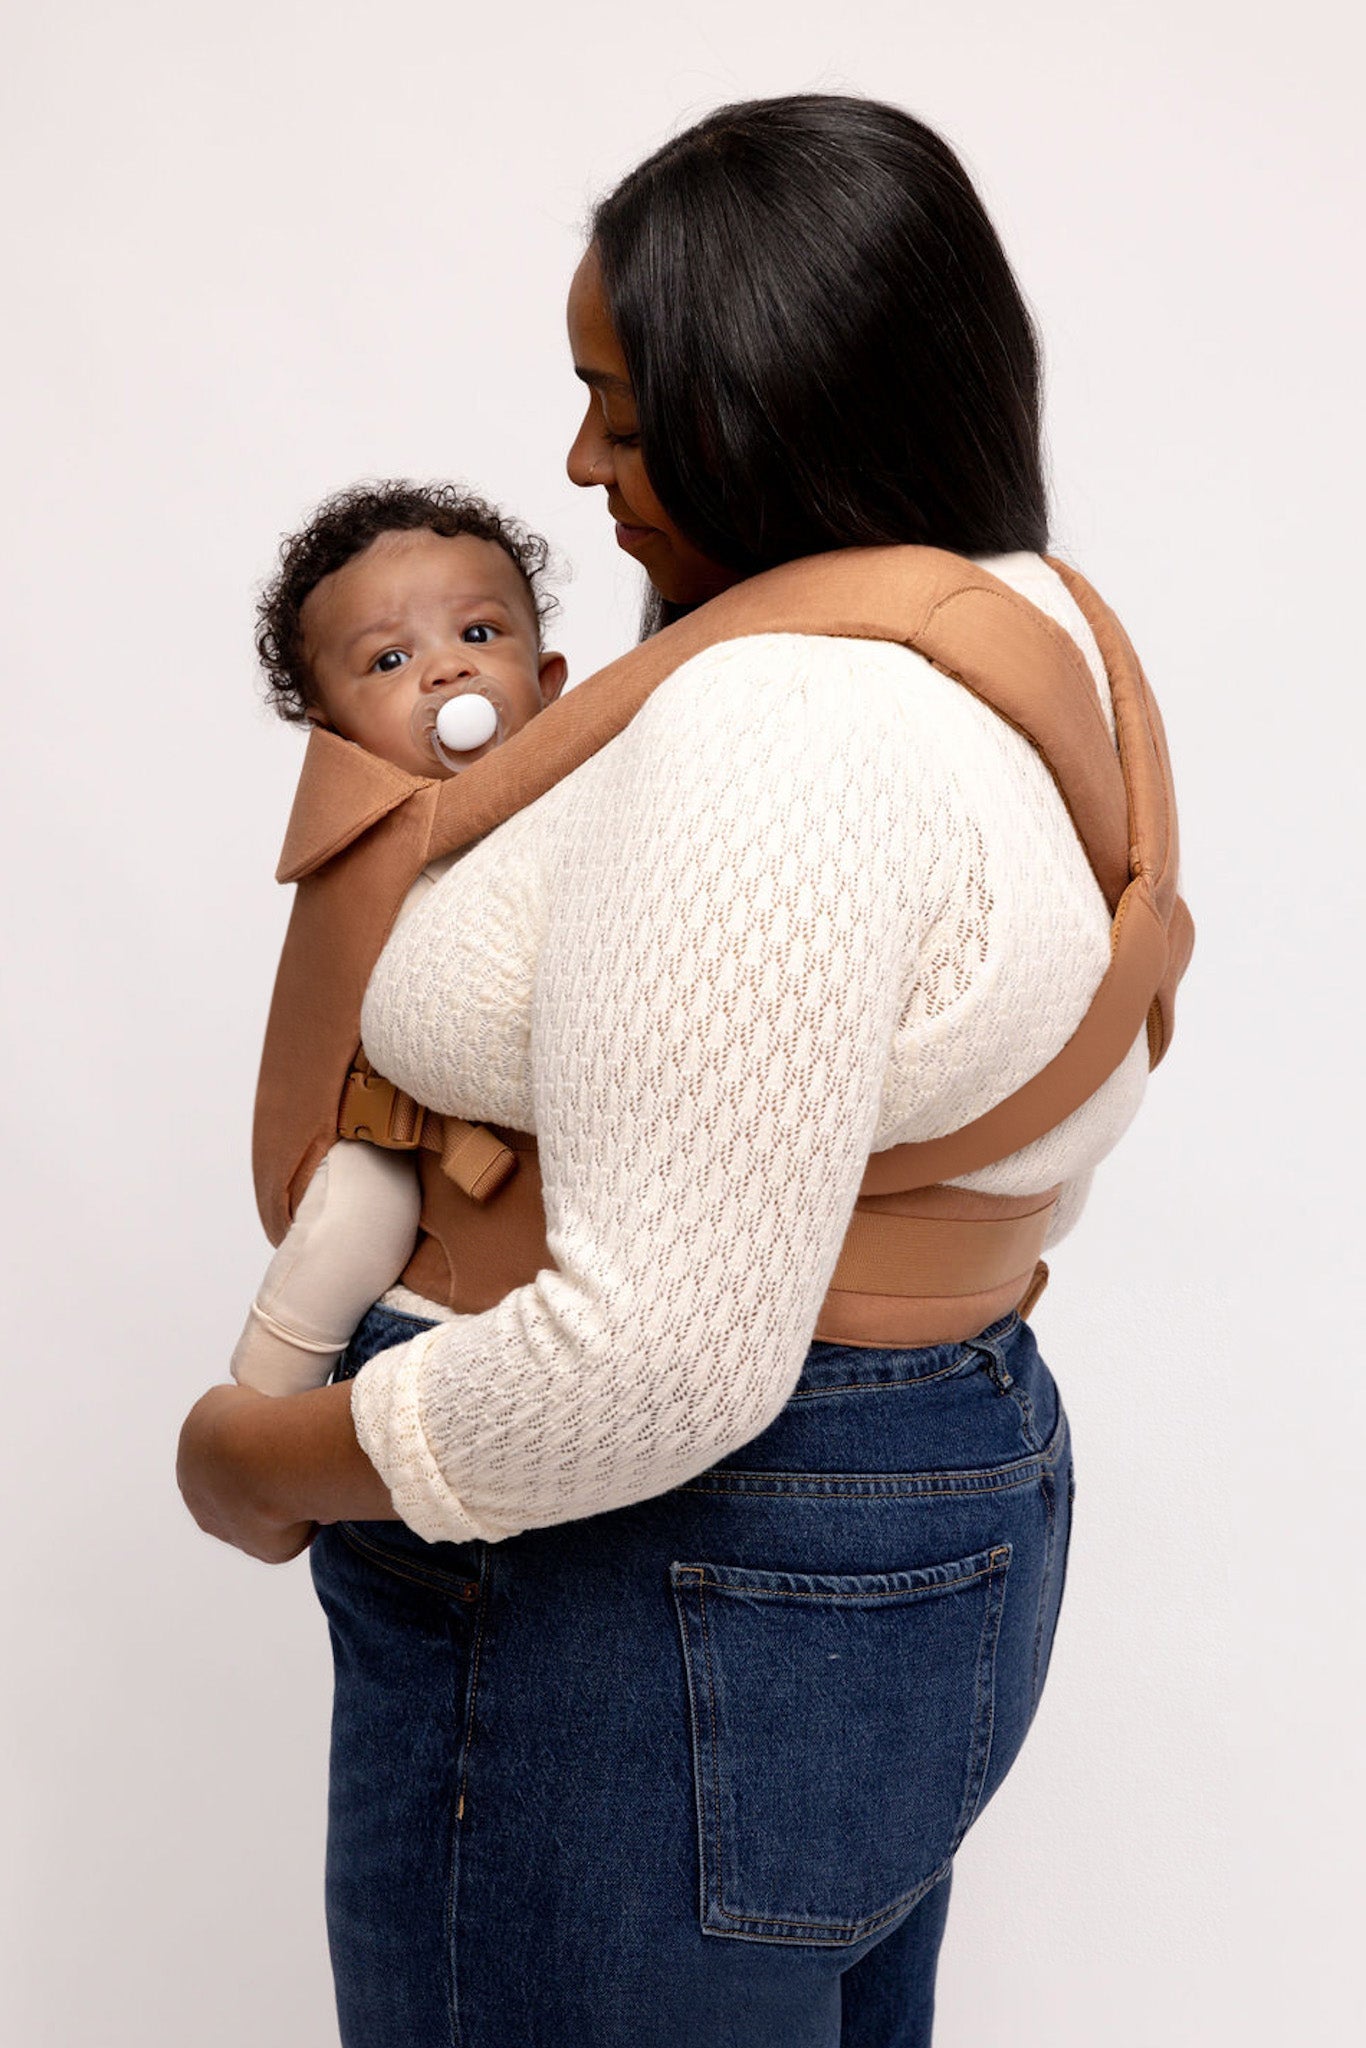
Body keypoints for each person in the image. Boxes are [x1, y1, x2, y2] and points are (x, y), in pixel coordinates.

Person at [177, 92, 1185, 2045]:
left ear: (777, 393)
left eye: (621, 410)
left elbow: (655, 1369)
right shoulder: (1029, 625)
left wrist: (254, 1455)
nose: (574, 461)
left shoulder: (778, 731)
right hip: (906, 1493)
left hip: (651, 1569)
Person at [231, 480, 567, 1396]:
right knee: (357, 1214)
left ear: (548, 684)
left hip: (563, 1158)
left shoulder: (579, 802)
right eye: (388, 660)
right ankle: (262, 1408)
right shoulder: (377, 844)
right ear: (334, 735)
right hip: (401, 1132)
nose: (446, 671)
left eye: (479, 634)